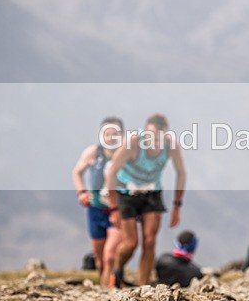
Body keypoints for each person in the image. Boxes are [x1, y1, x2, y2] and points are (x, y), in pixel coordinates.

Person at [106, 113, 187, 287]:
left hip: (151, 193)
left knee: (150, 241)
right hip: (126, 192)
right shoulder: (132, 144)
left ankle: (144, 285)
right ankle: (118, 270)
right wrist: (113, 208)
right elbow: (111, 173)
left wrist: (177, 205)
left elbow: (181, 173)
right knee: (130, 243)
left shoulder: (171, 146)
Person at [72, 117, 124, 286]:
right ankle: (105, 286)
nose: (111, 138)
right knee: (100, 260)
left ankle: (109, 291)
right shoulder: (93, 153)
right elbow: (77, 172)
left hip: (118, 210)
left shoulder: (127, 155)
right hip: (95, 209)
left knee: (110, 255)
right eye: (107, 134)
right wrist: (82, 193)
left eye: (115, 134)